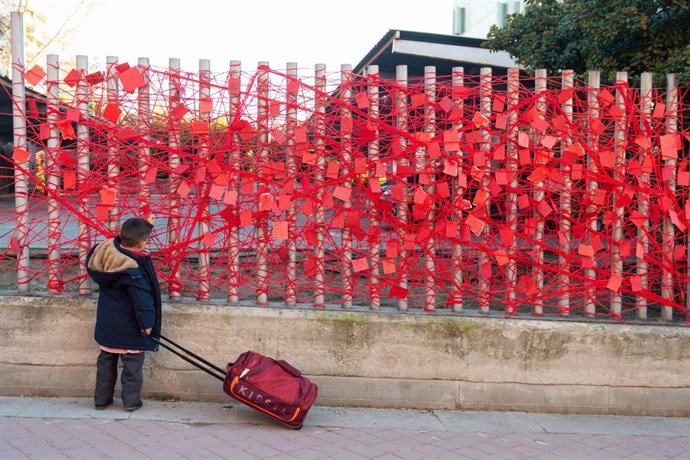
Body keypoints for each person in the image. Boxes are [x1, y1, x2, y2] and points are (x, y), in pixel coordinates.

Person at [85, 215, 161, 411]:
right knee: (132, 368)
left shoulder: (107, 253)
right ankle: (131, 402)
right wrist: (147, 324)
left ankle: (101, 400)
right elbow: (142, 300)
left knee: (105, 366)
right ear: (142, 243)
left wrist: (146, 224)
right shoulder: (133, 271)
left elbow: (126, 240)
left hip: (108, 327)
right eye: (145, 240)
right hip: (131, 328)